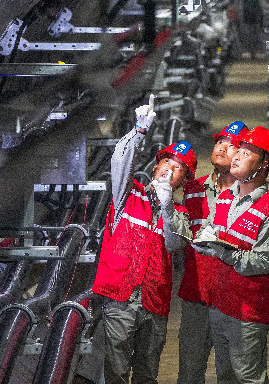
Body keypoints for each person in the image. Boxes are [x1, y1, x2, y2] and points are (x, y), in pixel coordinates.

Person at [92, 95, 196, 384]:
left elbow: (175, 246)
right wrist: (138, 132)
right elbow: (119, 164)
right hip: (120, 298)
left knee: (147, 373)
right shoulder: (128, 196)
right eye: (166, 162)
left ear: (183, 181)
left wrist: (166, 206)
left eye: (178, 169)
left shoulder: (180, 215)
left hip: (154, 301)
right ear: (155, 166)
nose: (169, 170)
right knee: (117, 372)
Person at [191, 126, 269, 384]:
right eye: (239, 150)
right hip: (220, 304)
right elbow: (210, 229)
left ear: (264, 165)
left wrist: (224, 253)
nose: (236, 156)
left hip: (247, 312)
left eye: (246, 153)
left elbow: (265, 262)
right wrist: (202, 240)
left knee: (248, 377)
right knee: (226, 376)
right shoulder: (224, 199)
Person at [177, 121, 248, 384]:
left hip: (231, 297)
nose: (222, 148)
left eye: (232, 145)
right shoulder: (192, 190)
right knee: (189, 370)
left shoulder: (248, 197)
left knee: (229, 372)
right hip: (196, 293)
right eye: (220, 142)